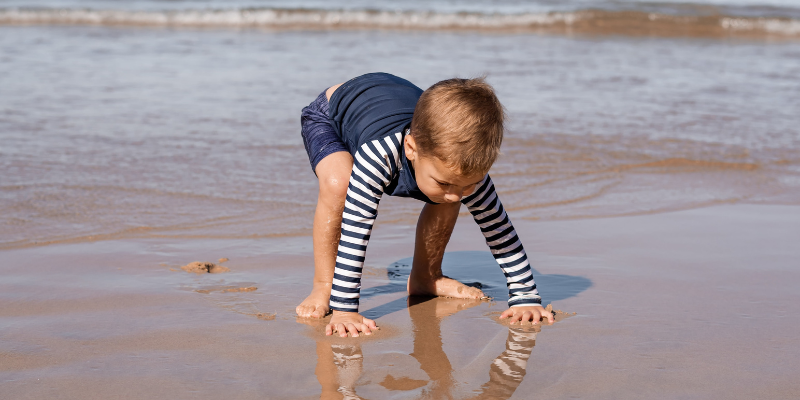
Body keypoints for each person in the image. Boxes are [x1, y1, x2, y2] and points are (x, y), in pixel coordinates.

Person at [295, 72, 554, 337]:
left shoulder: (461, 170)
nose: (456, 195)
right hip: (332, 115)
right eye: (443, 182)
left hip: (396, 105)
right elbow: (356, 229)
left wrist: (526, 297)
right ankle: (324, 285)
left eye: (468, 184)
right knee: (340, 184)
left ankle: (426, 276)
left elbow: (500, 231)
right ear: (411, 148)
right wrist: (345, 310)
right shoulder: (379, 156)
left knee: (449, 195)